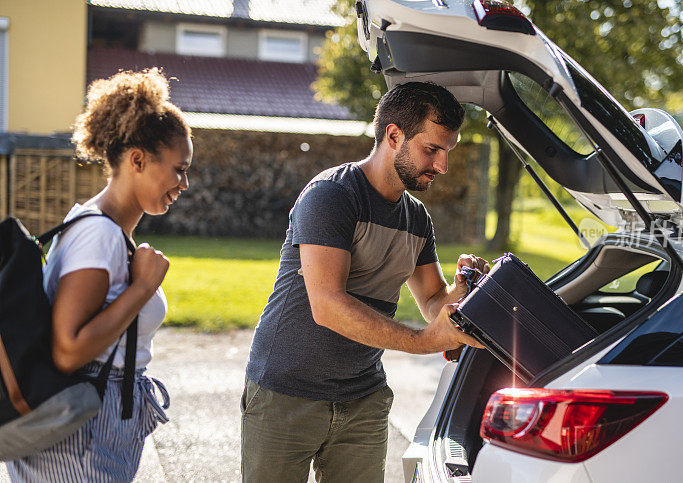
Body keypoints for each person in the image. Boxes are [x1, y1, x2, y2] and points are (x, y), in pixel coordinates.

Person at [242, 82, 490, 482]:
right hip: (285, 394)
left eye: (448, 152)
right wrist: (421, 342)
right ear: (394, 135)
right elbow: (327, 305)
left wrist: (462, 289)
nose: (442, 166)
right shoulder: (332, 196)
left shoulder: (416, 219)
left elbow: (431, 299)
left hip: (363, 399)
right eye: (432, 150)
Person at [6, 68, 193, 482]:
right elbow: (68, 350)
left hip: (96, 426)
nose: (184, 183)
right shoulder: (98, 233)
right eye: (179, 169)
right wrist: (143, 288)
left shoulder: (103, 229)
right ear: (138, 160)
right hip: (81, 437)